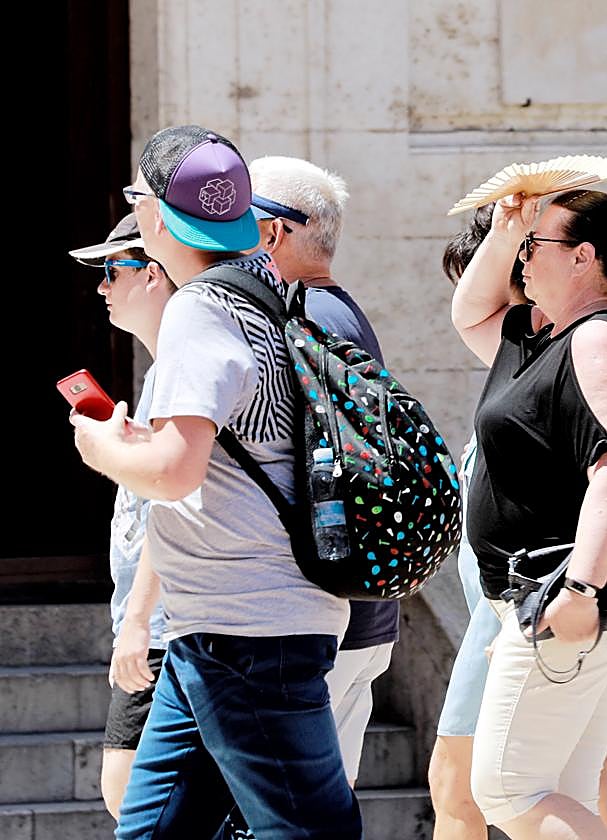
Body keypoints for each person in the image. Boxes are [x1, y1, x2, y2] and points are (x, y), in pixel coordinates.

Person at [70, 125, 359, 839]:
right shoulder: (260, 290)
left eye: (137, 196)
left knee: (308, 832)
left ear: (161, 214)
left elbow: (173, 472)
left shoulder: (199, 309)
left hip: (247, 633)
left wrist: (101, 446)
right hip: (217, 631)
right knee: (151, 831)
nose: (132, 209)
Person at [432, 206, 607, 840]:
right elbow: (468, 312)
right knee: (561, 788)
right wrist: (509, 226)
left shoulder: (597, 338)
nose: (522, 259)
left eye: (535, 245)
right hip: (550, 589)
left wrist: (581, 590)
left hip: (568, 589)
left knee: (507, 792)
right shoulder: (539, 338)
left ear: (584, 255)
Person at [249, 154, 394, 787]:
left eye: (232, 219)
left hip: (323, 617)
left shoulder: (302, 321)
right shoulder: (338, 312)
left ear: (273, 232)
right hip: (358, 615)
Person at [67, 215, 174, 819]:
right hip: (164, 627)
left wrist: (137, 626)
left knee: (129, 795)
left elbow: (173, 504)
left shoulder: (180, 369)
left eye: (112, 270)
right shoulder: (165, 372)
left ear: (153, 274)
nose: (102, 287)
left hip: (163, 629)